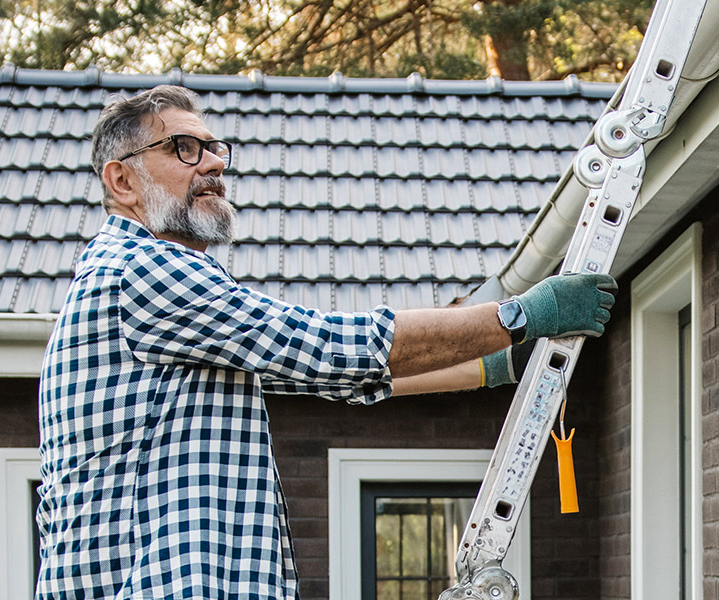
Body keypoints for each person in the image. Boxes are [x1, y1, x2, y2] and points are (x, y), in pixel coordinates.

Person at [36, 84, 616, 600]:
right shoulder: (142, 271)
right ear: (122, 180)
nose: (212, 162)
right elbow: (325, 346)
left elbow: (326, 372)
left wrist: (494, 364)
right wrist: (520, 314)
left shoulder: (157, 291)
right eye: (184, 148)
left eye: (215, 148)